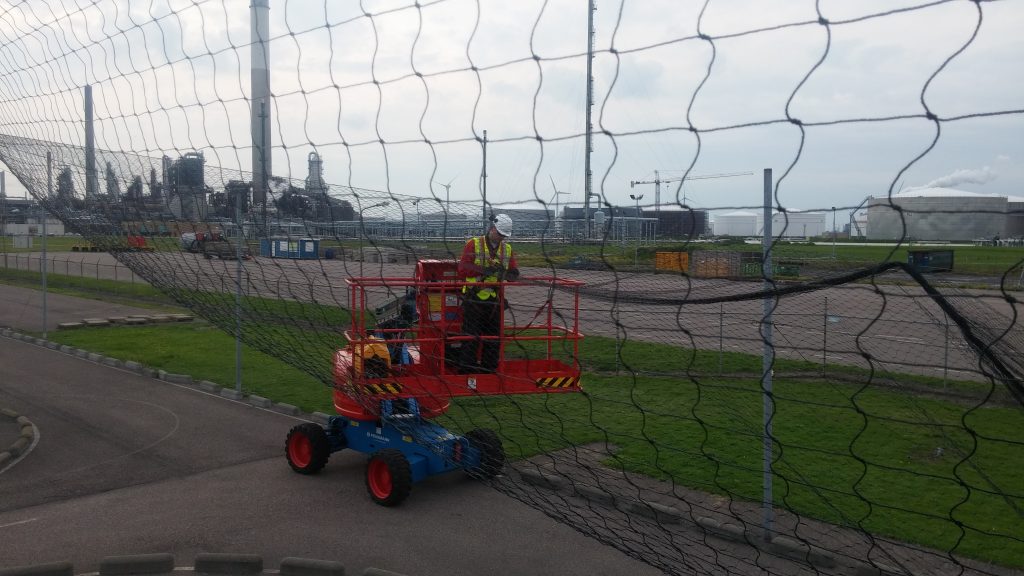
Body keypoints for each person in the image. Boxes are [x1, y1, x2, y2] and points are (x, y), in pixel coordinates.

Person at [457, 214, 520, 373]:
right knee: (471, 336)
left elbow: (513, 275)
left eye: (504, 236)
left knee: (493, 337)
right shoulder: (474, 244)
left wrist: (505, 273)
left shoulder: (507, 249)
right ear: (492, 228)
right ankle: (467, 369)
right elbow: (463, 269)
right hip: (473, 298)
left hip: (494, 299)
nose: (501, 238)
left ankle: (489, 369)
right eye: (500, 234)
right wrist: (485, 270)